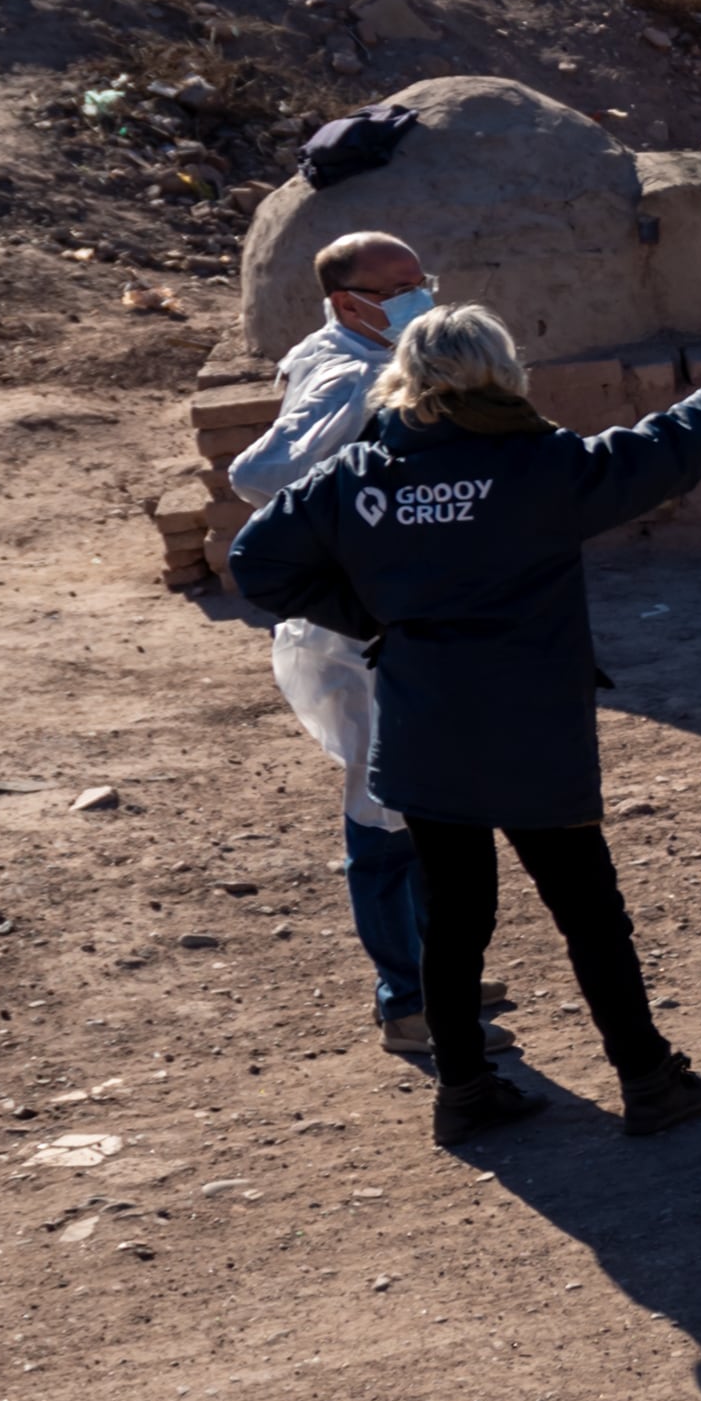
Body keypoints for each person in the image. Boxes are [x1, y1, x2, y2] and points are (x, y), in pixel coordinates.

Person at [229, 303, 701, 1144]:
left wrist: (377, 616)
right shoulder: (535, 464)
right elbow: (652, 458)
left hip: (425, 721)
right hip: (529, 725)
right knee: (588, 911)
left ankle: (465, 1090)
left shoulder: (363, 474)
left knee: (452, 917)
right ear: (501, 371)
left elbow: (256, 561)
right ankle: (647, 1077)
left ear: (407, 373)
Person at [231, 228, 435, 1050]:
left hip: (383, 622)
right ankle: (409, 1000)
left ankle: (429, 966)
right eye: (401, 285)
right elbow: (257, 475)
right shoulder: (350, 371)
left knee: (418, 805)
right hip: (351, 634)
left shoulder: (359, 348)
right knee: (382, 814)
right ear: (351, 302)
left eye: (423, 277)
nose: (420, 294)